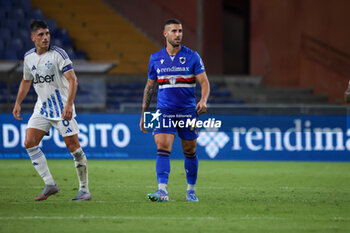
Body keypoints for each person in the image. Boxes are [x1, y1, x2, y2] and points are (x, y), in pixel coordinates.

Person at [12, 20, 91, 201]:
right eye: (41, 35)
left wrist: (69, 105)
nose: (46, 37)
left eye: (47, 33)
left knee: (75, 149)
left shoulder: (58, 54)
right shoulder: (29, 57)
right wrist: (18, 103)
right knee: (29, 142)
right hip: (42, 108)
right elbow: (26, 80)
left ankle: (84, 190)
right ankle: (50, 184)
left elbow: (73, 80)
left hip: (62, 108)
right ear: (33, 38)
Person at [140, 19, 210, 202]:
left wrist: (203, 100)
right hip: (164, 111)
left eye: (180, 31)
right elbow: (149, 87)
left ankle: (191, 190)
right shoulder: (155, 58)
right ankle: (162, 191)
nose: (178, 34)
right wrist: (144, 114)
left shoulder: (193, 56)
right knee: (162, 146)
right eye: (174, 31)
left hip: (188, 111)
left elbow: (204, 83)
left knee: (190, 149)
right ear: (165, 34)